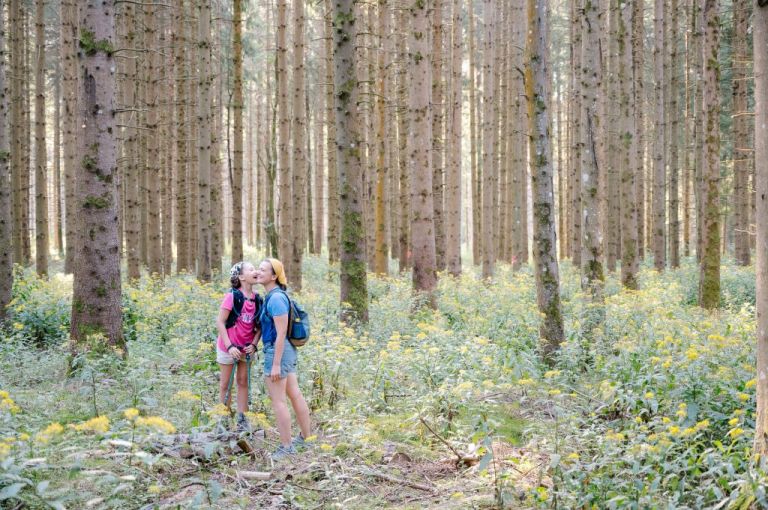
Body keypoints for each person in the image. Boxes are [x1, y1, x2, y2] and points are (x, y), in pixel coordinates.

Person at [256, 258, 311, 460]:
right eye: (257, 269)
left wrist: (276, 364)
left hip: (277, 351)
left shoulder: (276, 299)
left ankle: (287, 446)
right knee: (294, 394)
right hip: (284, 351)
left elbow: (280, 334)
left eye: (262, 270)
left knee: (278, 400)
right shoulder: (272, 295)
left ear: (274, 276)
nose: (258, 272)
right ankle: (307, 438)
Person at [215, 261, 260, 434]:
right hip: (228, 347)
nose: (255, 271)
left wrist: (255, 344)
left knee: (243, 382)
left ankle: (243, 420)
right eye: (251, 269)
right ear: (241, 277)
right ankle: (223, 421)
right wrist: (229, 346)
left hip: (246, 349)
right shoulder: (232, 296)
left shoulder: (258, 299)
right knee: (225, 384)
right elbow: (220, 321)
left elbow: (259, 327)